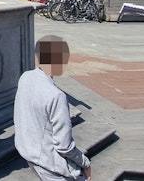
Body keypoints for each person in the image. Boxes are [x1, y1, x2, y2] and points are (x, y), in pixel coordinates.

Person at [14, 35, 91, 181]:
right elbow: (64, 146)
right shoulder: (57, 96)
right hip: (50, 166)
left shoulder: (25, 77)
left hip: (28, 153)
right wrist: (85, 163)